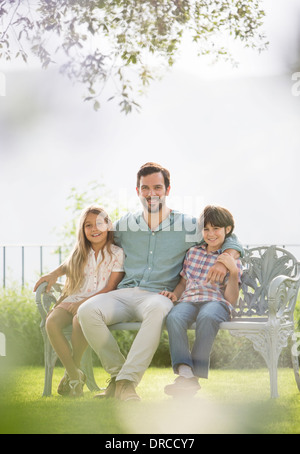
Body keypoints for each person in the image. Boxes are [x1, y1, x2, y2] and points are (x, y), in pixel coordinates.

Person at [34, 162, 243, 401]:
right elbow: (89, 245)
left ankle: (125, 382)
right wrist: (56, 273)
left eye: (157, 187)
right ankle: (119, 376)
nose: (151, 193)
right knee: (87, 310)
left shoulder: (188, 226)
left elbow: (229, 237)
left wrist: (223, 261)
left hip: (159, 296)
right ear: (137, 191)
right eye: (145, 188)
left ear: (167, 189)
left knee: (157, 309)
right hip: (123, 293)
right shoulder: (125, 226)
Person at [162, 205, 243, 397]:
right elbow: (183, 282)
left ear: (227, 230)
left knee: (207, 316)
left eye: (216, 229)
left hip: (215, 302)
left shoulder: (230, 258)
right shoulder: (193, 252)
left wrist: (232, 271)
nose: (211, 234)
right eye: (206, 229)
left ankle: (194, 376)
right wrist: (175, 294)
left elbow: (231, 299)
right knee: (174, 317)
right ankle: (185, 373)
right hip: (189, 300)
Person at [44, 205, 124, 397]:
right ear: (83, 229)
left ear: (108, 226)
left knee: (79, 318)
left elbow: (110, 287)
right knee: (52, 322)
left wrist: (82, 303)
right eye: (88, 225)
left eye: (98, 224)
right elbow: (67, 268)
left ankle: (74, 372)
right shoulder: (80, 252)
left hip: (99, 301)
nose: (94, 229)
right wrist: (55, 274)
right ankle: (74, 374)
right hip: (74, 297)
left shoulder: (116, 253)